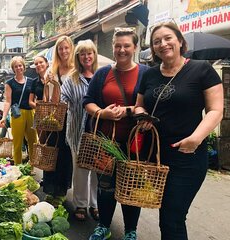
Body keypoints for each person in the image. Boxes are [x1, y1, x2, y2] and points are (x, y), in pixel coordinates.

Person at [134, 22, 223, 240]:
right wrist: (142, 116)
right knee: (167, 215)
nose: (162, 44)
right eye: (156, 42)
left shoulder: (202, 69)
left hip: (188, 157)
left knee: (172, 217)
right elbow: (139, 105)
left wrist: (196, 138)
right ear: (153, 49)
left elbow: (216, 110)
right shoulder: (149, 75)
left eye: (167, 38)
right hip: (155, 156)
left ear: (180, 41)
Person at [83, 28, 149, 240]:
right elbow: (88, 101)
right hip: (105, 142)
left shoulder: (146, 73)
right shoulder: (103, 73)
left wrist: (128, 111)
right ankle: (103, 225)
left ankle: (131, 230)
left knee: (131, 187)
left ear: (135, 47)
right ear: (113, 47)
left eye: (126, 46)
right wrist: (103, 113)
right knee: (105, 187)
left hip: (135, 145)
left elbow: (151, 104)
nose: (121, 50)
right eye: (117, 46)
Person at [60, 39, 99, 221]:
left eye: (89, 53)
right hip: (78, 131)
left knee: (98, 170)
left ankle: (95, 204)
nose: (86, 57)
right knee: (81, 170)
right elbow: (62, 99)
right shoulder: (71, 78)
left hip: (99, 131)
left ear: (94, 55)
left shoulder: (102, 75)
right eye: (82, 53)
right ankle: (81, 205)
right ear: (78, 57)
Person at [42, 36, 74, 207]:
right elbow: (46, 95)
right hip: (53, 118)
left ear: (71, 49)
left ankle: (61, 191)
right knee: (51, 153)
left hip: (69, 118)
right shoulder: (51, 70)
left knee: (64, 155)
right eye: (60, 48)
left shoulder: (76, 70)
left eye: (66, 48)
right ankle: (50, 189)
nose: (63, 51)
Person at [0, 56, 37, 165]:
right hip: (17, 114)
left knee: (33, 141)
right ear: (13, 69)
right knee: (17, 142)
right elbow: (8, 101)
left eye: (20, 65)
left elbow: (35, 97)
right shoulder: (9, 83)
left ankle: (31, 167)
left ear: (24, 67)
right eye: (16, 66)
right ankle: (18, 167)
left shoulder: (31, 82)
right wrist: (3, 117)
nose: (18, 68)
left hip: (30, 113)